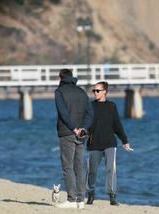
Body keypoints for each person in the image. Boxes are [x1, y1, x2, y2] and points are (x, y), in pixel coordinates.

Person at [86, 81, 133, 206]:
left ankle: (112, 197)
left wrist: (125, 141)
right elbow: (86, 124)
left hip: (110, 143)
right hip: (93, 143)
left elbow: (117, 124)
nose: (95, 93)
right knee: (92, 171)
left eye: (97, 90)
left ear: (105, 91)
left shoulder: (111, 106)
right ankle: (90, 194)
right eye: (94, 91)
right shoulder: (90, 106)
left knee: (110, 170)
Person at [54, 69, 93, 209]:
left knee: (67, 166)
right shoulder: (82, 92)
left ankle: (71, 199)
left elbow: (63, 113)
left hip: (67, 132)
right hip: (82, 134)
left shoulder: (59, 92)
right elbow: (90, 113)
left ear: (60, 77)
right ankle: (81, 200)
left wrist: (74, 128)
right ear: (72, 77)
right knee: (79, 167)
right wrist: (83, 128)